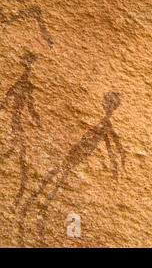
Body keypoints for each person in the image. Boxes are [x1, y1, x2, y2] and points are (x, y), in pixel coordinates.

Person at [19, 91, 126, 244]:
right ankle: (32, 210)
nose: (102, 101)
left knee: (51, 183)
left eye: (106, 100)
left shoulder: (105, 124)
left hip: (75, 157)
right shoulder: (104, 123)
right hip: (74, 154)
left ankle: (34, 212)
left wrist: (116, 163)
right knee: (51, 181)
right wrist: (116, 162)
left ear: (109, 105)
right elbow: (111, 145)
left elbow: (112, 145)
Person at [0, 52, 42, 207]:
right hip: (16, 125)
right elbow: (30, 108)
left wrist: (37, 121)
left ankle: (21, 190)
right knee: (19, 156)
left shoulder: (20, 84)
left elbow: (5, 102)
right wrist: (38, 122)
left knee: (14, 153)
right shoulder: (24, 85)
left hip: (14, 124)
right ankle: (22, 188)